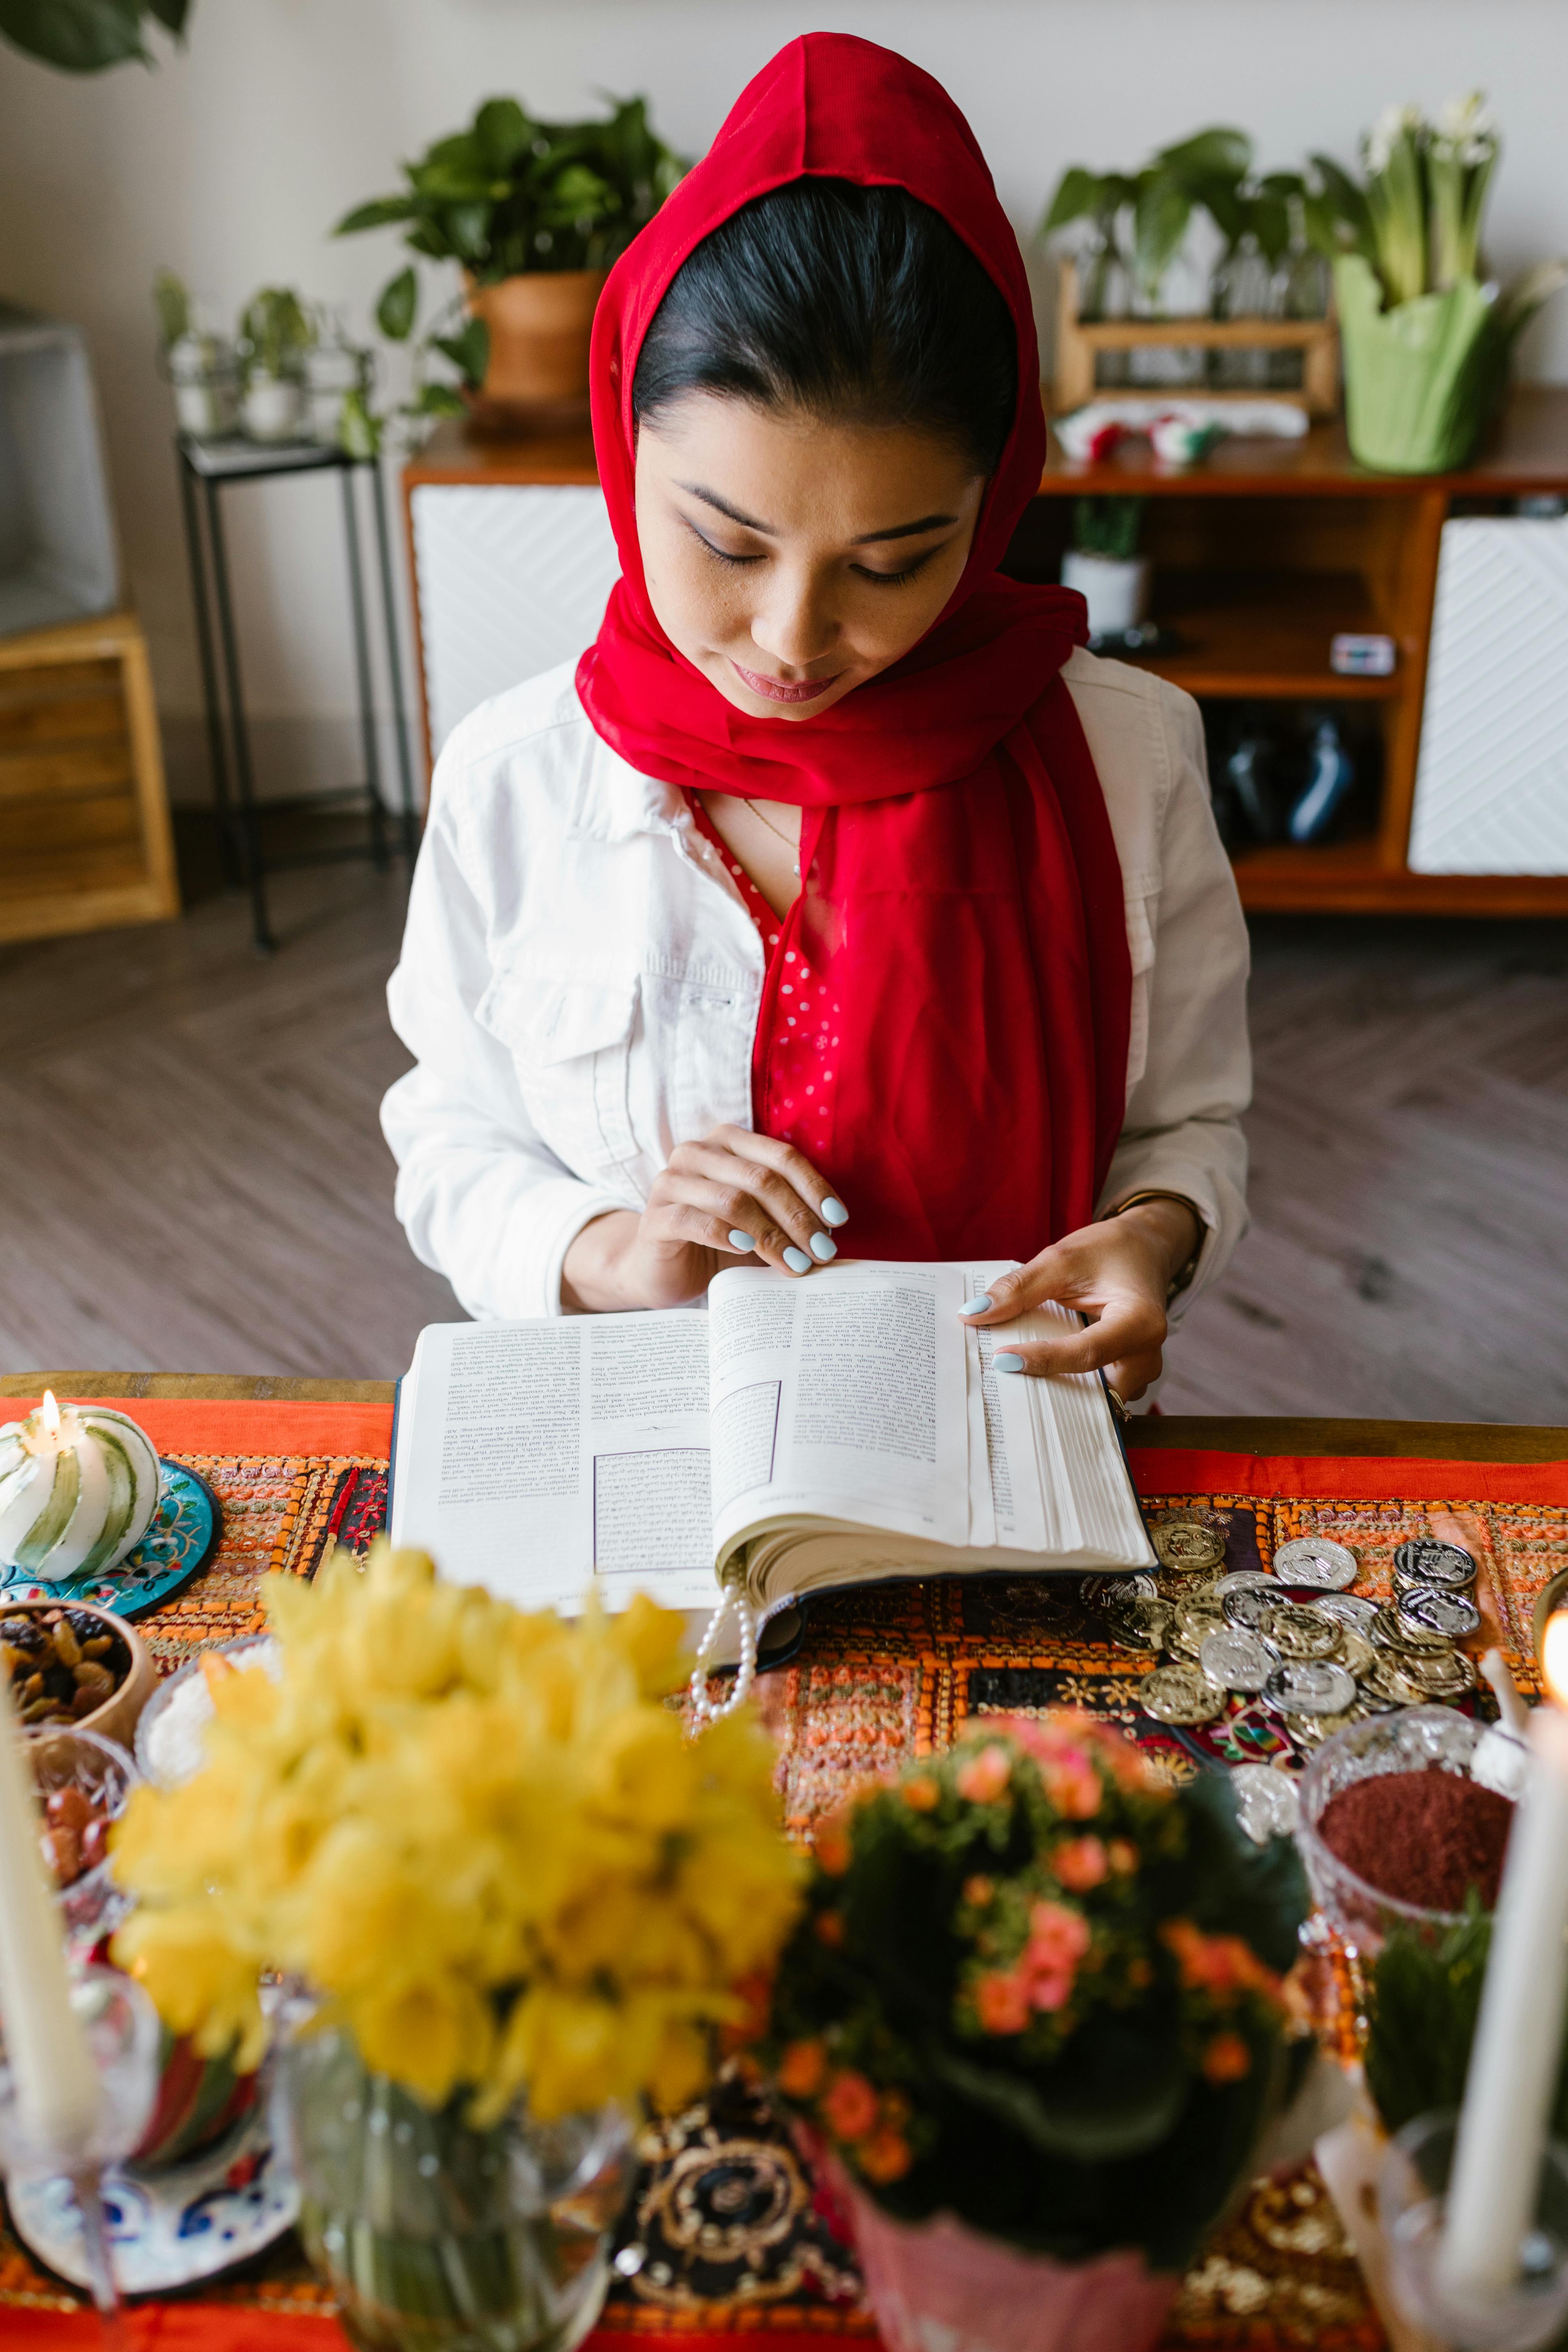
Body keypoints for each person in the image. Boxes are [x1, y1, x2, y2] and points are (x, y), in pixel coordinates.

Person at [383, 33, 1249, 1406]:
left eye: (892, 563)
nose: (793, 638)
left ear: (994, 500)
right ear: (623, 441)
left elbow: (1188, 1119)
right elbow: (450, 1135)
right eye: (727, 544)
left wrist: (1154, 1237)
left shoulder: (1124, 756)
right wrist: (611, 1254)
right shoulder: (517, 777)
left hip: (1003, 1432)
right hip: (640, 1441)